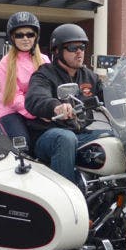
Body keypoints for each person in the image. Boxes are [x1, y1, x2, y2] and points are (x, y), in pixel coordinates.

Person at [24, 23, 110, 188]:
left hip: (80, 133)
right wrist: (56, 106)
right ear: (57, 51)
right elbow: (35, 98)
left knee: (115, 137)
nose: (79, 51)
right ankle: (67, 198)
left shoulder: (89, 76)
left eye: (82, 46)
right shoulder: (44, 73)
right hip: (48, 135)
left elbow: (109, 96)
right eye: (72, 47)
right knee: (65, 139)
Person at [0, 12, 50, 147]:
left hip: (38, 110)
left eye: (30, 34)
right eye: (20, 35)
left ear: (36, 37)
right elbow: (14, 97)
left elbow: (49, 89)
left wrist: (49, 109)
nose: (25, 38)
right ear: (12, 38)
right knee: (22, 145)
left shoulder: (44, 60)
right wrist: (37, 112)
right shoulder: (5, 63)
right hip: (11, 111)